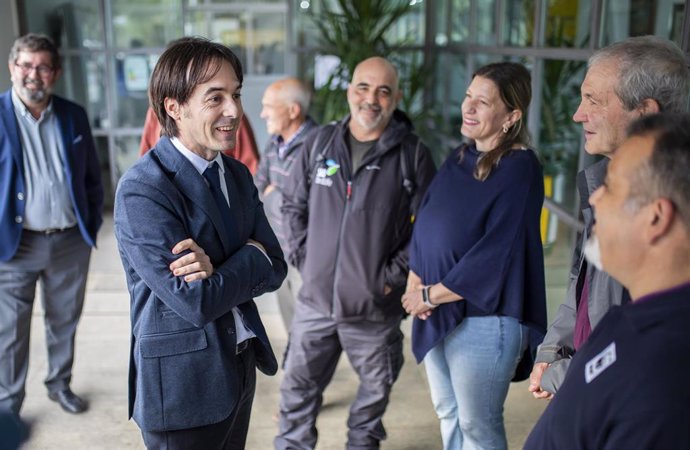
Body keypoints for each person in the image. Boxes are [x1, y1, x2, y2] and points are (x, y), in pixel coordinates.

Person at [114, 37, 287, 449]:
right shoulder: (144, 190)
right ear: (174, 107)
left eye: (236, 94)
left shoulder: (237, 174)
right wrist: (249, 255)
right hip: (183, 387)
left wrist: (222, 268)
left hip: (238, 363)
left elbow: (276, 265)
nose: (234, 111)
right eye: (216, 98)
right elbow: (195, 302)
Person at [275, 56, 436, 450]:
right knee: (296, 395)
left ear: (396, 98)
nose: (371, 99)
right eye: (363, 87)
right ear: (349, 92)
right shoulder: (319, 143)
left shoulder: (412, 155)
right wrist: (306, 260)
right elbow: (291, 207)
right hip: (315, 304)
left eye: (383, 90)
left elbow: (430, 229)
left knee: (373, 398)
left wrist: (389, 279)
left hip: (373, 311)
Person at [528, 35, 690, 399]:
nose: (577, 114)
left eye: (593, 101)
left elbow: (638, 353)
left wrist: (560, 375)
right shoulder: (600, 180)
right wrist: (553, 352)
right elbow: (579, 282)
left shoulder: (672, 214)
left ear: (646, 112)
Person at [401, 62, 546, 450]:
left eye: (482, 102)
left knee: (476, 425)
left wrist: (430, 295)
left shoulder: (521, 168)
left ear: (511, 116)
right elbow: (428, 219)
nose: (469, 107)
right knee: (448, 412)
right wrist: (416, 279)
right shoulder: (461, 156)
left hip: (485, 318)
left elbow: (497, 252)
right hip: (435, 308)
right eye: (468, 96)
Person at [525, 112, 690, 448]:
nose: (596, 198)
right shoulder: (630, 324)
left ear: (656, 218)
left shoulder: (663, 375)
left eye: (611, 186)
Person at [0, 33, 103, 416]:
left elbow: (93, 176)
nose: (33, 74)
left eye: (43, 66)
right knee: (10, 332)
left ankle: (59, 384)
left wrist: (89, 221)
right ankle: (8, 405)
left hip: (69, 241)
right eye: (26, 65)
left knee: (64, 321)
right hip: (15, 245)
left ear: (55, 73)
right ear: (13, 68)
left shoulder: (73, 115)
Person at [255, 77, 318, 331]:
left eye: (269, 106)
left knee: (310, 327)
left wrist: (273, 195)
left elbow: (312, 207)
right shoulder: (274, 142)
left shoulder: (319, 145)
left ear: (293, 110)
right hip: (279, 250)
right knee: (290, 323)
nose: (262, 114)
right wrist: (276, 195)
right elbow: (258, 187)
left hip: (308, 255)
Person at [139, 106, 260, 174]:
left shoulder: (231, 118)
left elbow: (249, 165)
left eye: (236, 95)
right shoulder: (156, 113)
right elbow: (146, 160)